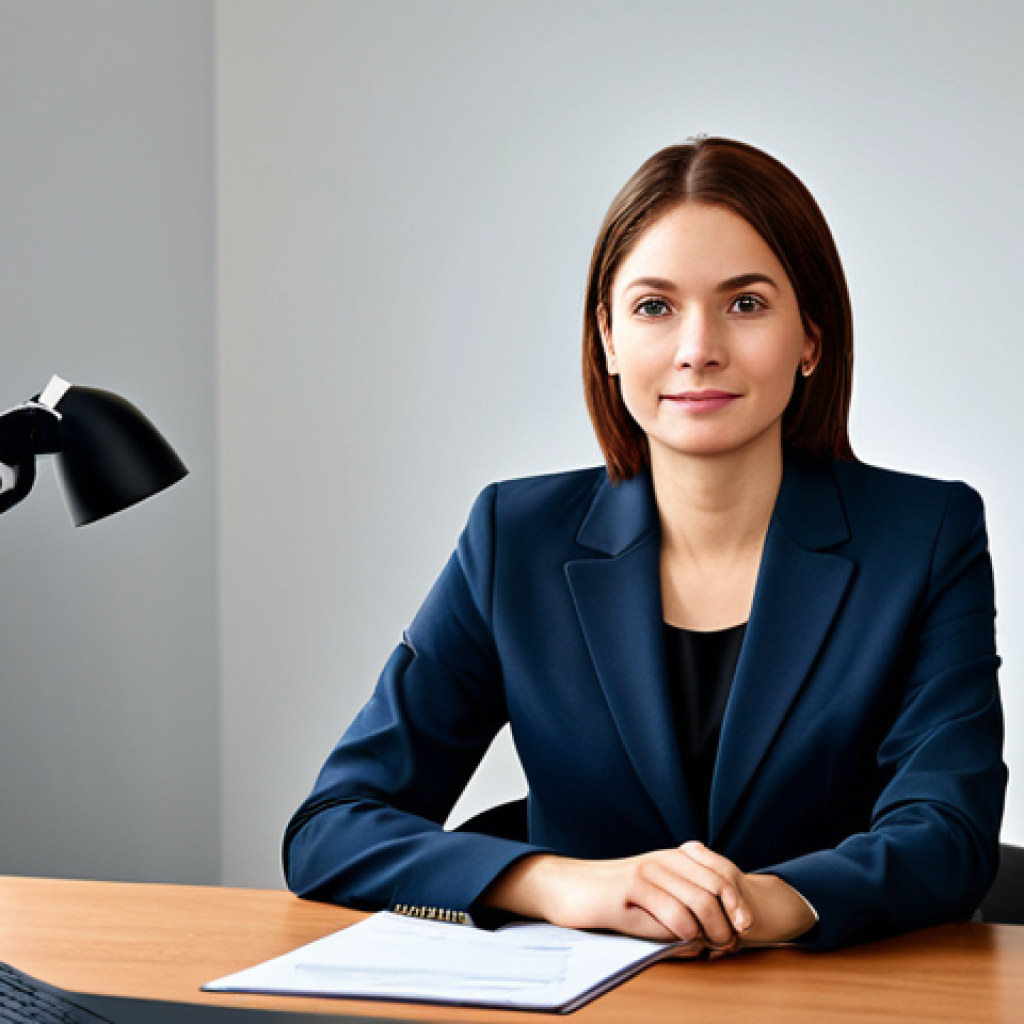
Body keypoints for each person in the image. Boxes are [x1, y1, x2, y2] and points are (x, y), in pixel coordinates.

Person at [283, 137, 1006, 952]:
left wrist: (771, 901)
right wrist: (560, 882)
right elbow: (333, 828)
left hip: (828, 997)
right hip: (582, 1000)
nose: (698, 348)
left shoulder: (927, 535)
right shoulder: (512, 539)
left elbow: (950, 831)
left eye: (746, 304)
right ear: (609, 338)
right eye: (655, 307)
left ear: (811, 336)